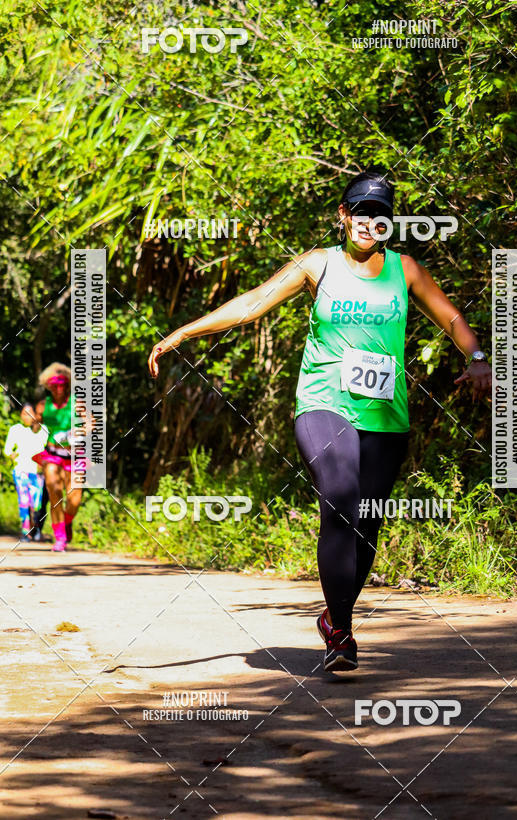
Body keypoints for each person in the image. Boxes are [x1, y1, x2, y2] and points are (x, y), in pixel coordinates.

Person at [148, 170, 492, 672]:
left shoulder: (405, 270)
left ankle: (334, 618)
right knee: (342, 500)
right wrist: (184, 332)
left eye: (380, 215)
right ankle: (342, 635)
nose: (369, 222)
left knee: (367, 523)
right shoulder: (318, 264)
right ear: (343, 215)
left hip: (384, 414)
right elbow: (253, 303)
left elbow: (452, 317)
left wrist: (477, 357)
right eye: (361, 212)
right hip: (323, 403)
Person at [33, 363, 82, 552]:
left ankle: (67, 521)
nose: (58, 388)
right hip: (52, 455)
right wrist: (34, 422)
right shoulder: (43, 405)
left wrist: (75, 433)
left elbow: (92, 423)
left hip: (75, 456)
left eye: (62, 383)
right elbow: (35, 425)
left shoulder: (77, 402)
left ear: (68, 383)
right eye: (54, 384)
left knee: (74, 500)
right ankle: (60, 537)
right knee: (54, 493)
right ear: (48, 385)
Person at [3, 403, 48, 541]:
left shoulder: (43, 430)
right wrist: (11, 455)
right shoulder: (15, 429)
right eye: (24, 414)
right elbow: (7, 449)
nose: (27, 417)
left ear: (35, 415)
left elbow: (49, 448)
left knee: (36, 504)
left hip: (37, 472)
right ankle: (25, 532)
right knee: (24, 502)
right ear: (20, 415)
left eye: (30, 414)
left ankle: (36, 529)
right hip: (20, 471)